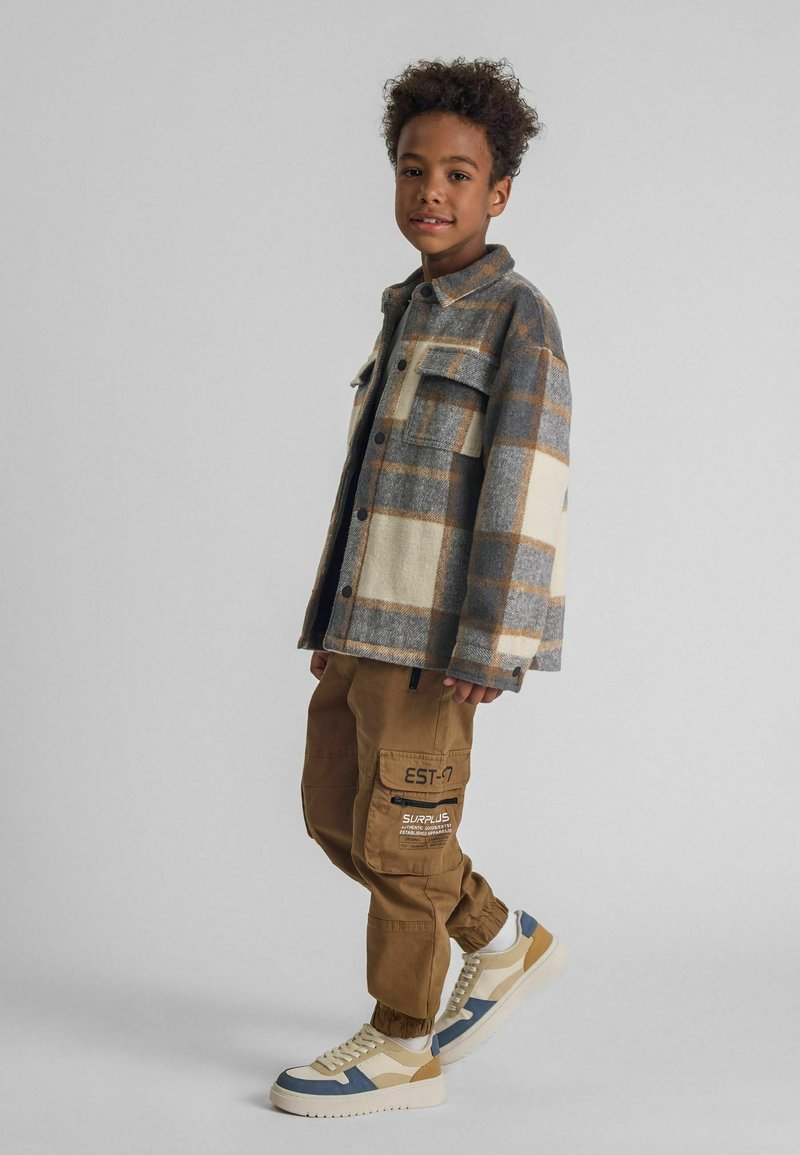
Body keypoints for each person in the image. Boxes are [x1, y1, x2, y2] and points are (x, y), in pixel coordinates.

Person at [270, 56, 572, 1118]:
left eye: (457, 173)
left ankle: (402, 1044)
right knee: (334, 814)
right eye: (411, 169)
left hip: (438, 645)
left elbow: (527, 488)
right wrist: (333, 616)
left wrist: (493, 643)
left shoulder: (516, 319)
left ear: (500, 192)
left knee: (402, 839)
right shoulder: (406, 309)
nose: (430, 192)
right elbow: (367, 487)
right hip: (365, 626)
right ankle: (495, 936)